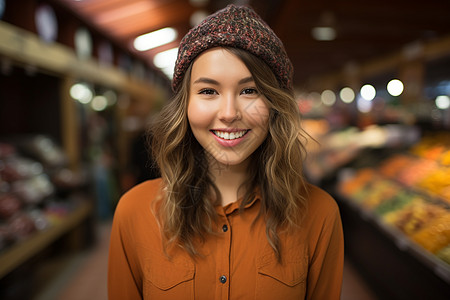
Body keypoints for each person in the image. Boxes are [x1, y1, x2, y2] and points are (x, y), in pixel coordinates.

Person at [108, 4, 344, 300]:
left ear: (274, 105)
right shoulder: (134, 212)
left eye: (250, 90)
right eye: (208, 91)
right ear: (185, 106)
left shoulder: (319, 213)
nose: (229, 113)